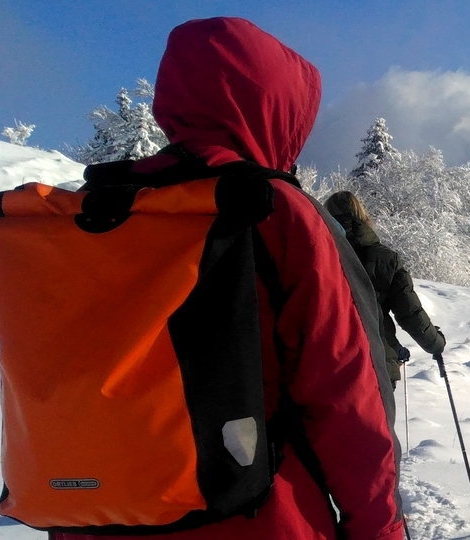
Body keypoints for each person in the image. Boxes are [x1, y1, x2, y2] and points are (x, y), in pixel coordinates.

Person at [53, 17, 404, 539]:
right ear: (278, 111)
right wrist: (381, 530)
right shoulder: (275, 212)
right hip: (259, 519)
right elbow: (347, 400)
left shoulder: (98, 212)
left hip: (98, 516)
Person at [324, 191, 445, 389]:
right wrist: (436, 343)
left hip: (322, 364)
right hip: (375, 366)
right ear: (363, 215)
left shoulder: (315, 254)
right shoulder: (386, 259)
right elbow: (410, 313)